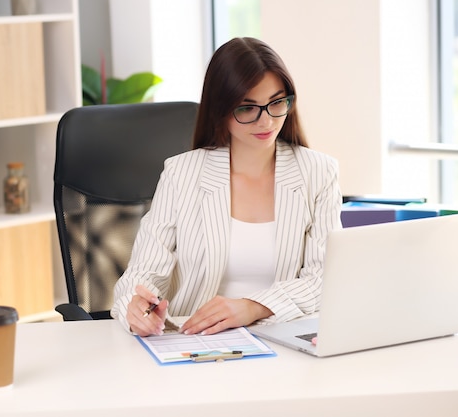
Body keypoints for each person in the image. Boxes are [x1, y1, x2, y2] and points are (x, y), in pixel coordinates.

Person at [110, 37, 342, 337]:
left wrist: (252, 306)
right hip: (197, 341)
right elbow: (143, 273)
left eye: (276, 103)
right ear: (220, 109)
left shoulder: (319, 172)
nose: (267, 121)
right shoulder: (182, 173)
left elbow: (323, 279)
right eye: (248, 109)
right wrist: (136, 306)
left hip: (285, 341)